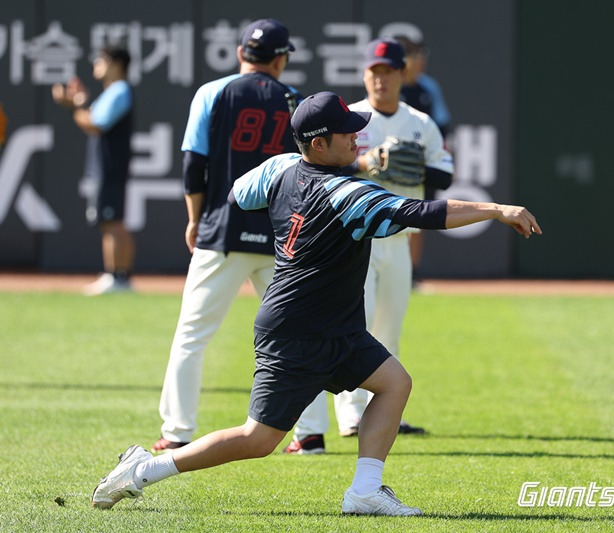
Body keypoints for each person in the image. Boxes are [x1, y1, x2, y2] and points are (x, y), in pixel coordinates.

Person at [92, 90, 541, 516]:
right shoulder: (348, 195)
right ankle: (144, 469)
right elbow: (421, 214)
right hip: (299, 331)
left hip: (334, 327)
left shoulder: (284, 168)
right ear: (320, 144)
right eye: (347, 133)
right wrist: (497, 210)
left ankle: (365, 490)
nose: (357, 137)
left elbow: (237, 194)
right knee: (258, 439)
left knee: (394, 384)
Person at [285, 38, 453, 454]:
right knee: (352, 326)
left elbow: (444, 177)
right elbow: (321, 162)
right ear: (365, 75)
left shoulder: (420, 121)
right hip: (357, 240)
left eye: (388, 71)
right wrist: (367, 161)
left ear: (402, 75)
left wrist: (413, 159)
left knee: (390, 328)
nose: (380, 79)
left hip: (397, 240)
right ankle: (351, 415)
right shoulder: (351, 119)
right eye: (373, 72)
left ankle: (378, 406)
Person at [150, 19, 302, 454]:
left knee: (192, 334)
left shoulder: (212, 93)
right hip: (280, 236)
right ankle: (309, 434)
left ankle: (178, 430)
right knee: (301, 334)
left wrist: (194, 218)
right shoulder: (293, 98)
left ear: (240, 54)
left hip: (223, 229)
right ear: (280, 59)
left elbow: (193, 164)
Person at [52, 45, 136, 295]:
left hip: (109, 167)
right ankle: (120, 277)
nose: (96, 65)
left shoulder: (119, 90)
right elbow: (94, 117)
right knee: (112, 222)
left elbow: (95, 124)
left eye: (102, 60)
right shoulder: (112, 92)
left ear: (117, 64)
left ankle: (116, 277)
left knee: (112, 223)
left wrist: (74, 106)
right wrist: (79, 103)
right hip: (107, 167)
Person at [395, 35, 452, 284]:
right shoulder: (388, 85)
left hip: (418, 165)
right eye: (416, 56)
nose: (421, 62)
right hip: (386, 166)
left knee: (417, 218)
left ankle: (411, 273)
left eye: (421, 55)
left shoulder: (427, 87)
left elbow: (442, 125)